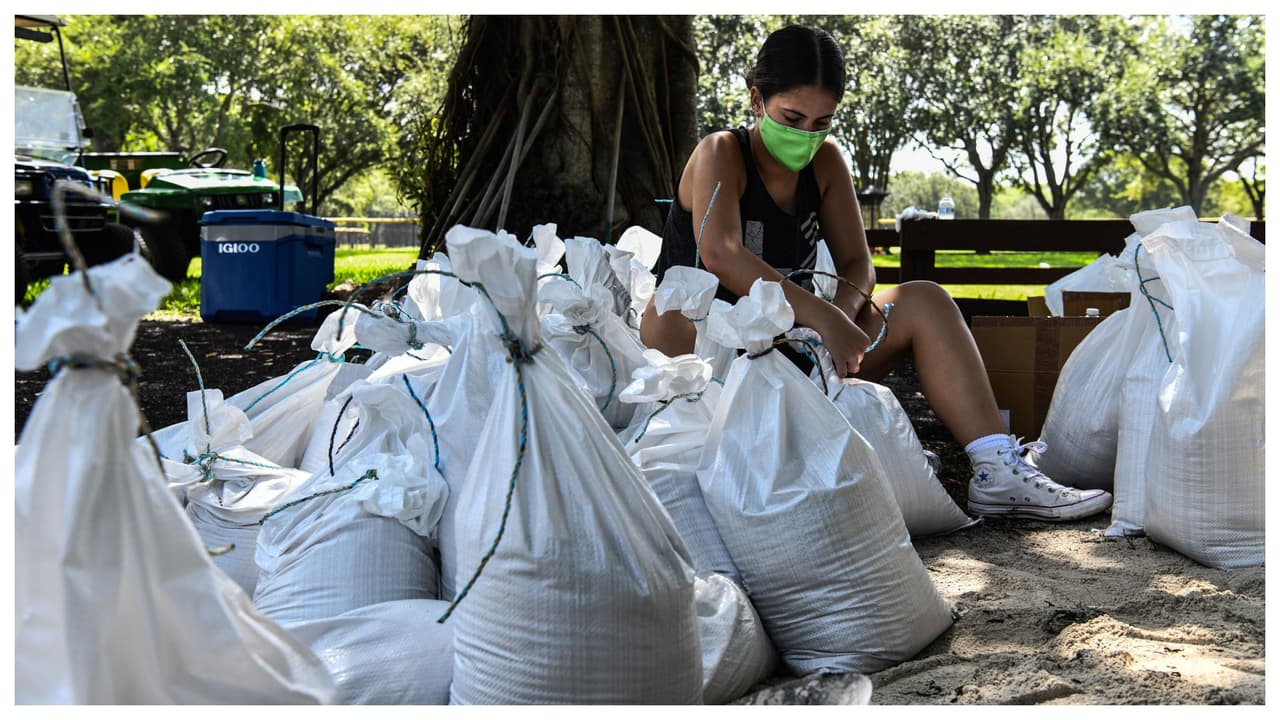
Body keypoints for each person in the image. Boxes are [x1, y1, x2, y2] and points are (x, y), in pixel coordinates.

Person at [640, 24, 1111, 522]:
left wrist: (833, 327)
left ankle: (996, 470)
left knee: (923, 300)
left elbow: (857, 265)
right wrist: (825, 320)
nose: (805, 135)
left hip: (792, 348)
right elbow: (722, 253)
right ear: (757, 100)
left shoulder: (825, 162)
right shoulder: (721, 152)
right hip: (707, 355)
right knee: (675, 312)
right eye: (792, 117)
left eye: (822, 121)